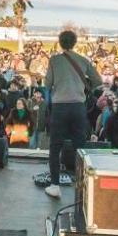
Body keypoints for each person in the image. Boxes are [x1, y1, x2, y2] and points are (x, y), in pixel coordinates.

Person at [43, 30, 102, 198]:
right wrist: (82, 86)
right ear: (74, 43)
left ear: (60, 43)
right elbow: (97, 81)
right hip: (78, 106)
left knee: (55, 146)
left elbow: (47, 84)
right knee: (80, 146)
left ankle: (55, 185)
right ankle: (82, 184)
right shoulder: (83, 60)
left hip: (60, 107)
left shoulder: (54, 60)